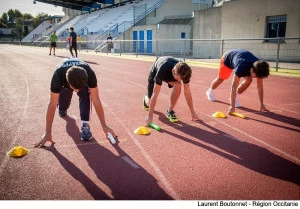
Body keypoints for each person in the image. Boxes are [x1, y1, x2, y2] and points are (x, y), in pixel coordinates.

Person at [34, 58, 116, 147]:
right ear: (68, 84)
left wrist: (104, 126)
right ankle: (62, 108)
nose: (77, 91)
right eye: (74, 89)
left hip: (79, 81)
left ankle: (85, 125)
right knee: (63, 106)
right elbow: (52, 104)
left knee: (85, 93)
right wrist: (47, 132)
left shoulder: (90, 74)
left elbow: (96, 100)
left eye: (79, 89)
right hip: (64, 84)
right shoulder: (58, 76)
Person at [205, 49, 270, 114]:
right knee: (221, 79)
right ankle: (210, 91)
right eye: (256, 76)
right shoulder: (241, 66)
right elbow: (234, 86)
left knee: (249, 80)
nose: (257, 78)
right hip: (227, 59)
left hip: (241, 58)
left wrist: (262, 103)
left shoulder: (259, 67)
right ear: (252, 70)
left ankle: (234, 98)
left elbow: (260, 86)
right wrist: (232, 106)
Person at [143, 56, 201, 126]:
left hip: (172, 72)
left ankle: (170, 111)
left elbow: (187, 92)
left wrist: (192, 112)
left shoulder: (184, 72)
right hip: (156, 70)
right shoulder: (162, 70)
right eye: (180, 79)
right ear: (173, 71)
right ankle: (146, 98)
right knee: (149, 103)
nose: (181, 81)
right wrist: (150, 116)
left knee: (178, 85)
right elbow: (155, 94)